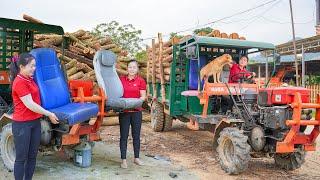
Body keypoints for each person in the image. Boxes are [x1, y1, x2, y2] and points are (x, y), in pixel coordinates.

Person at [10, 53, 59, 180]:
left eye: (35, 66)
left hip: (34, 122)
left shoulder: (29, 79)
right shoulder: (19, 82)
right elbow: (30, 104)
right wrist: (49, 113)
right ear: (22, 67)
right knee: (21, 158)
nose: (34, 68)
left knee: (32, 156)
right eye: (31, 66)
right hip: (22, 125)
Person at [119, 59, 146, 169]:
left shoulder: (141, 81)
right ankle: (123, 160)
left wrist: (134, 103)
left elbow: (143, 97)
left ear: (137, 69)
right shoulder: (121, 80)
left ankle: (136, 158)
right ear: (127, 68)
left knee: (136, 136)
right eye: (130, 67)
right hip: (124, 112)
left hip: (136, 112)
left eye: (134, 67)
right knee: (124, 136)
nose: (132, 69)